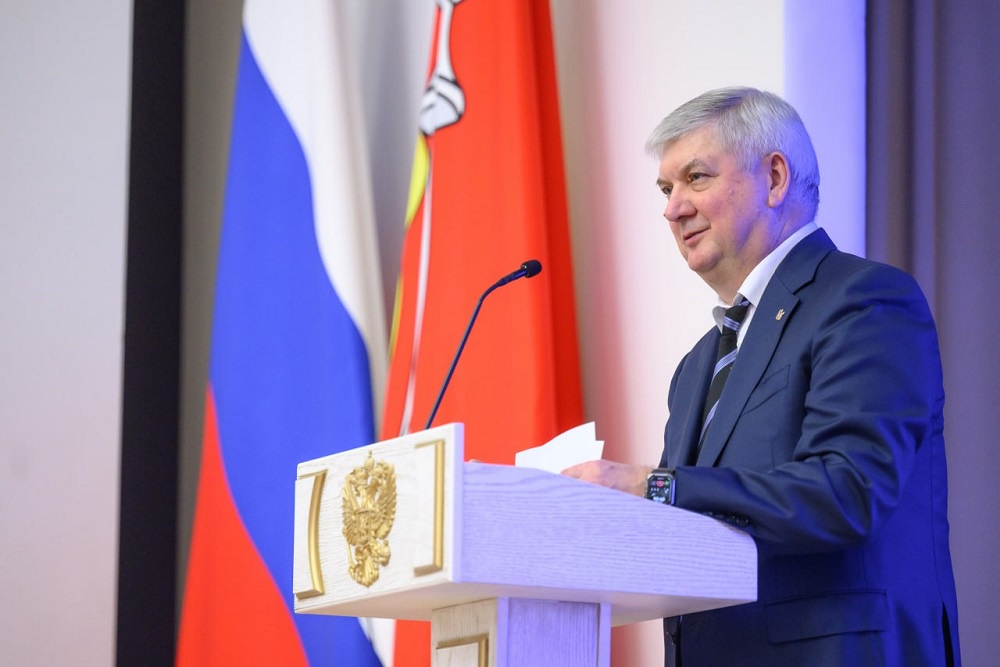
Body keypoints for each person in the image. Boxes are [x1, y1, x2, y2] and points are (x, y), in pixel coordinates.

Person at [563, 87, 961, 666]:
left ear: (774, 178)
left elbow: (847, 492)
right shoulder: (696, 366)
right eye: (666, 189)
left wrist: (652, 485)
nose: (673, 209)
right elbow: (688, 528)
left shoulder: (864, 301)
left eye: (695, 178)